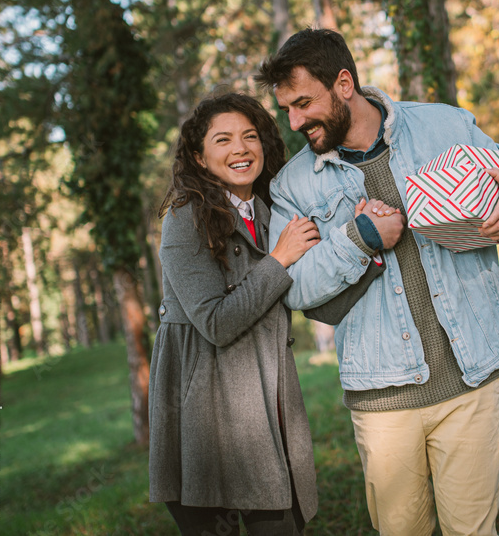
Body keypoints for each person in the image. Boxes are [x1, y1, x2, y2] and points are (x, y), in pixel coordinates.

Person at [254, 28, 499, 536]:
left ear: (344, 84)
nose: (294, 122)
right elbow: (295, 288)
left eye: (304, 103)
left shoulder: (445, 124)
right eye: (286, 108)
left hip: (469, 380)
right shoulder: (293, 185)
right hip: (382, 401)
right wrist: (358, 239)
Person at [148, 92, 383, 535]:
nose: (240, 148)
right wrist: (279, 258)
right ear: (198, 156)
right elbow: (216, 322)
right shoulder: (184, 218)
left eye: (250, 136)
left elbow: (316, 302)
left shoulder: (272, 214)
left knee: (282, 523)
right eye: (223, 140)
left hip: (267, 400)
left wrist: (362, 243)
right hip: (202, 413)